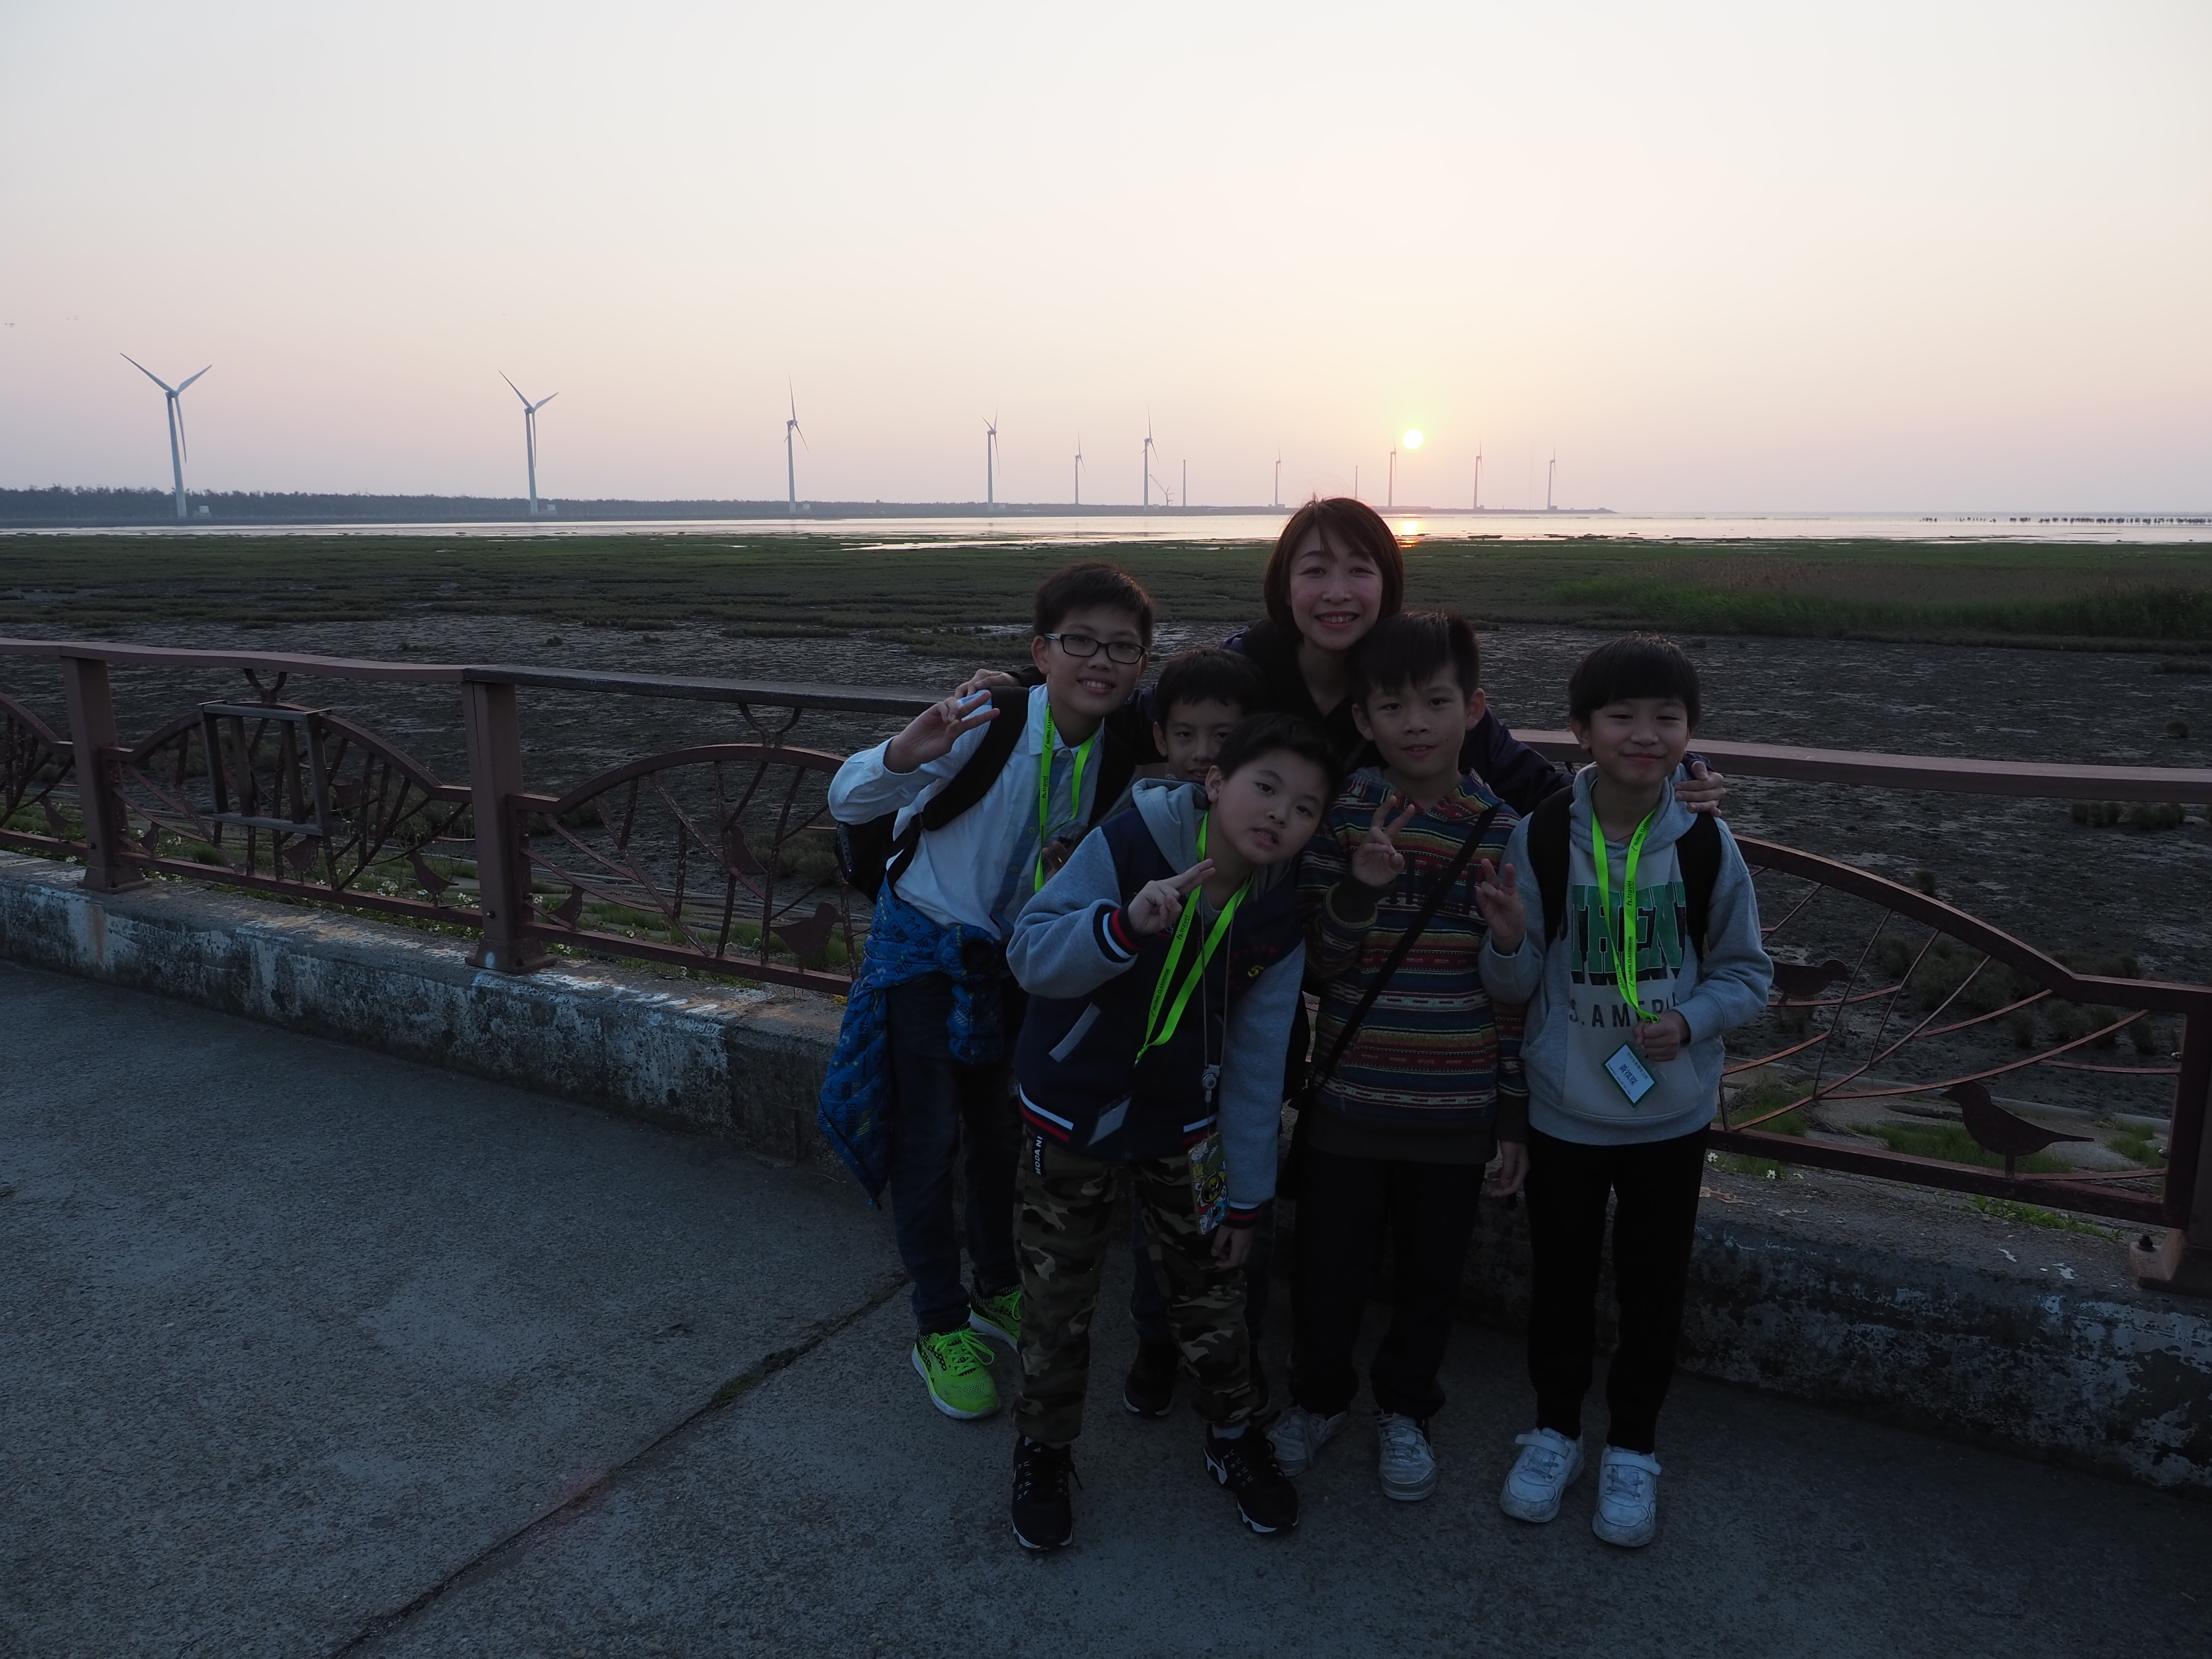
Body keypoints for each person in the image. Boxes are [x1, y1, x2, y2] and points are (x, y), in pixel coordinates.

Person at [819, 562, 1152, 1422]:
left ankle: (997, 1284)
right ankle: (938, 1324)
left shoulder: (1124, 750)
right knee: (929, 1142)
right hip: (929, 956)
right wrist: (908, 751)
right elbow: (847, 796)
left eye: (1122, 648)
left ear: (1143, 665)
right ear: (1042, 652)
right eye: (1080, 642)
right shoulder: (988, 721)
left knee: (1002, 1134)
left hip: (1020, 965)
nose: (1100, 661)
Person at [1000, 713, 1337, 1551]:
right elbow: (1030, 952)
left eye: (1305, 808)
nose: (1280, 815)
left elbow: (1258, 1065)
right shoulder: (1129, 844)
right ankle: (1044, 1449)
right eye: (1266, 788)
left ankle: (1234, 1435)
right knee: (1057, 1299)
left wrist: (1247, 1197)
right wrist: (1119, 927)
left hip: (1192, 1125)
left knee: (1216, 1285)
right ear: (1215, 782)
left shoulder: (1277, 910)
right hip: (1070, 1109)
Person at [1478, 633, 1772, 1548]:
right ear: (1580, 729)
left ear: (1691, 732)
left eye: (1666, 719)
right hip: (1567, 1111)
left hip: (1670, 1116)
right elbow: (1513, 987)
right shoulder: (1541, 837)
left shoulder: (1708, 845)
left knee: (1654, 1288)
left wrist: (1692, 1020)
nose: (1645, 735)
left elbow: (1749, 975)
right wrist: (1509, 938)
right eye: (1621, 717)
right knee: (1561, 1282)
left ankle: (1634, 1446)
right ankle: (1555, 1432)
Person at [1267, 611, 1527, 1503]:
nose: (1416, 723)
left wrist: (1511, 1114)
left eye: (1437, 702)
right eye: (1392, 705)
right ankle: (1317, 1400)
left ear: (1474, 709)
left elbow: (1513, 997)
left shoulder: (1504, 829)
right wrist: (1358, 890)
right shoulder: (1343, 813)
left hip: (1457, 1112)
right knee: (1326, 1272)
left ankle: (1407, 1410)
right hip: (1349, 1102)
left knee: (1431, 1278)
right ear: (1364, 719)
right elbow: (1318, 963)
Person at [1109, 646, 1281, 1422]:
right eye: (1185, 735)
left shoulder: (1272, 844)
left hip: (1229, 1070)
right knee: (1156, 1221)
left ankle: (1238, 1345)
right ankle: (1155, 1341)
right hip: (1153, 1069)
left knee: (1234, 1215)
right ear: (1160, 737)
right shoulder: (1135, 825)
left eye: (1223, 737)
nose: (1202, 754)